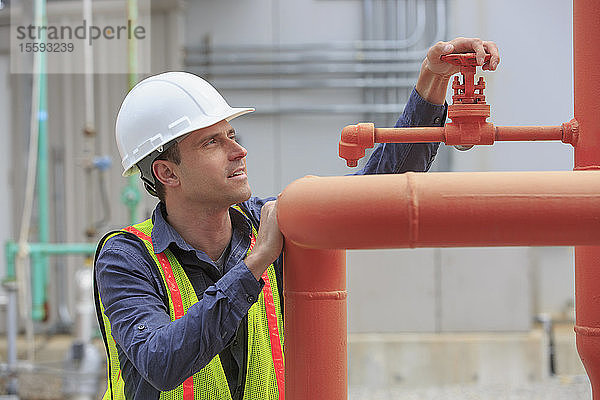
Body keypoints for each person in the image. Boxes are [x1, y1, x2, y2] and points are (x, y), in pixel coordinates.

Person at [94, 37, 500, 400]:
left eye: (232, 136)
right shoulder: (127, 257)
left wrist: (432, 79)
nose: (239, 152)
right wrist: (256, 263)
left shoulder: (267, 221)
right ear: (167, 173)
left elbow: (373, 190)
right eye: (212, 142)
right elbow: (161, 362)